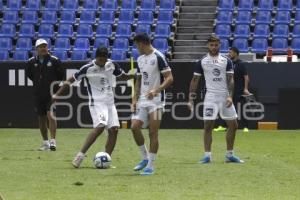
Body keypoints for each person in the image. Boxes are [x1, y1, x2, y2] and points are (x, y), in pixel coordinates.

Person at [52, 47, 135, 168]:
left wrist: (133, 76)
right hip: (97, 103)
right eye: (100, 59)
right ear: (96, 57)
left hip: (110, 103)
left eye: (104, 59)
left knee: (114, 129)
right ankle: (79, 156)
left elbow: (122, 76)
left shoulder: (111, 65)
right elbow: (70, 80)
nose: (102, 62)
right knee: (101, 126)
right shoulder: (87, 68)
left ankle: (106, 159)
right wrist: (57, 95)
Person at [188, 35, 244, 164]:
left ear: (220, 45)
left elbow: (230, 79)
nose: (214, 47)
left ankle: (229, 155)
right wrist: (190, 99)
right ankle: (207, 155)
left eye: (216, 45)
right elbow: (195, 80)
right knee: (208, 126)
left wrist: (230, 96)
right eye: (211, 45)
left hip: (224, 96)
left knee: (233, 125)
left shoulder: (226, 60)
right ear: (207, 46)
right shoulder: (202, 61)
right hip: (211, 97)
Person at [131, 33, 173, 175]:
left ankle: (150, 165)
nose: (137, 48)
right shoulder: (140, 59)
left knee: (153, 132)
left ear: (142, 43)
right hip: (143, 100)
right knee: (134, 127)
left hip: (156, 101)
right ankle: (144, 157)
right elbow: (138, 80)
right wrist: (134, 99)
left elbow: (169, 78)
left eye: (137, 45)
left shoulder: (158, 56)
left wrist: (156, 90)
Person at [26, 38, 64, 151]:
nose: (43, 48)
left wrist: (56, 92)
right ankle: (45, 142)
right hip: (38, 94)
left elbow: (60, 76)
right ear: (36, 49)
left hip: (51, 94)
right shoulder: (31, 62)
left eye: (45, 46)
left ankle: (53, 141)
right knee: (41, 118)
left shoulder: (55, 60)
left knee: (50, 115)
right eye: (41, 47)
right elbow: (31, 76)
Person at [214, 47, 251, 133]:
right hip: (229, 91)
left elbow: (246, 77)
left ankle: (245, 127)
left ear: (236, 53)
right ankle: (223, 126)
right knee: (226, 108)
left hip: (239, 91)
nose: (229, 54)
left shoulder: (241, 64)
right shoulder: (228, 64)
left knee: (241, 109)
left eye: (230, 52)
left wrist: (245, 89)